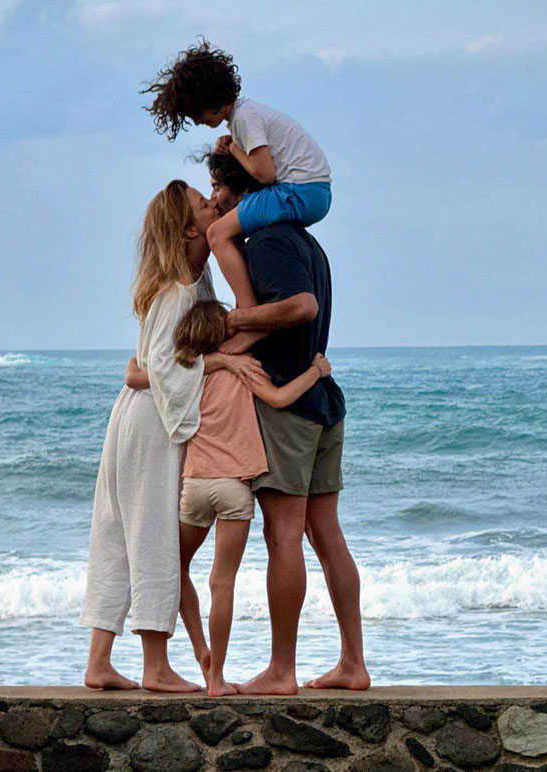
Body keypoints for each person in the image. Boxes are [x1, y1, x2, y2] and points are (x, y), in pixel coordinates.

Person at [79, 180, 266, 692]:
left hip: (136, 416)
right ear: (188, 228)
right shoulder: (181, 289)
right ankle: (155, 665)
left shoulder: (191, 284)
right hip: (151, 424)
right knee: (154, 536)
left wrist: (143, 371)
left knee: (119, 533)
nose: (213, 205)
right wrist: (221, 360)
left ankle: (99, 662)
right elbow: (159, 366)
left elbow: (146, 367)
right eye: (205, 206)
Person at [206, 152, 371, 694]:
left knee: (284, 537)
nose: (215, 202)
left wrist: (232, 320)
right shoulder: (307, 240)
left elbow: (300, 307)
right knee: (326, 535)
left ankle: (282, 670)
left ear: (240, 191)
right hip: (320, 398)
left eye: (217, 187)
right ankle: (353, 663)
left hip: (288, 406)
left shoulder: (269, 239)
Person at [176, 300, 332, 696]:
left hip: (194, 485)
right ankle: (216, 680)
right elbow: (280, 399)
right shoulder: (246, 368)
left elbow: (141, 376)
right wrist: (316, 370)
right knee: (221, 582)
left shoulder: (187, 373)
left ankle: (197, 651)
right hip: (234, 489)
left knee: (173, 566)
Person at [142, 40, 332, 309]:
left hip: (300, 191)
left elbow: (265, 174)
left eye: (196, 113)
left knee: (218, 234)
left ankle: (246, 308)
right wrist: (233, 143)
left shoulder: (244, 118)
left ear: (209, 99)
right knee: (233, 232)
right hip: (314, 191)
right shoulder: (246, 115)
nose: (196, 122)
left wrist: (233, 147)